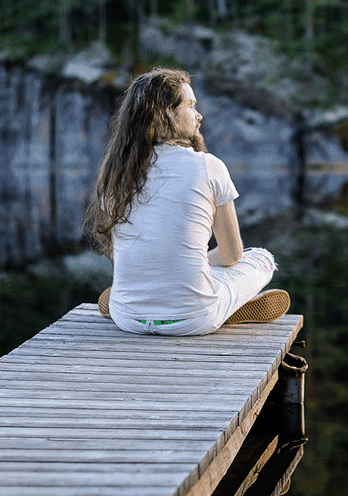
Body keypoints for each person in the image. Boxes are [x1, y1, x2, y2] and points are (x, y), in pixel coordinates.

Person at [85, 67, 289, 336]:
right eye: (191, 106)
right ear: (167, 113)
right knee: (261, 258)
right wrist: (193, 261)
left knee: (174, 270)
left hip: (127, 317)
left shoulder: (115, 175)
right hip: (193, 319)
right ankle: (225, 308)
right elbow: (231, 255)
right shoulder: (208, 166)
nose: (199, 115)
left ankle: (139, 299)